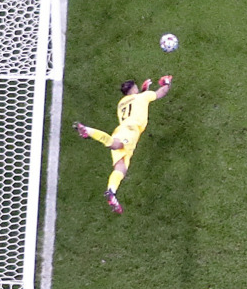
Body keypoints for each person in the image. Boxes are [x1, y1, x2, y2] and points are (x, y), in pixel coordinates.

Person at [74, 75, 173, 214]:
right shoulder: (141, 97)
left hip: (120, 130)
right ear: (133, 89)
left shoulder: (121, 104)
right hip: (131, 131)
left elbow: (134, 103)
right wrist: (167, 83)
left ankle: (111, 192)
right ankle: (88, 131)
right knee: (117, 145)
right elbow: (161, 92)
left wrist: (143, 91)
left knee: (121, 167)